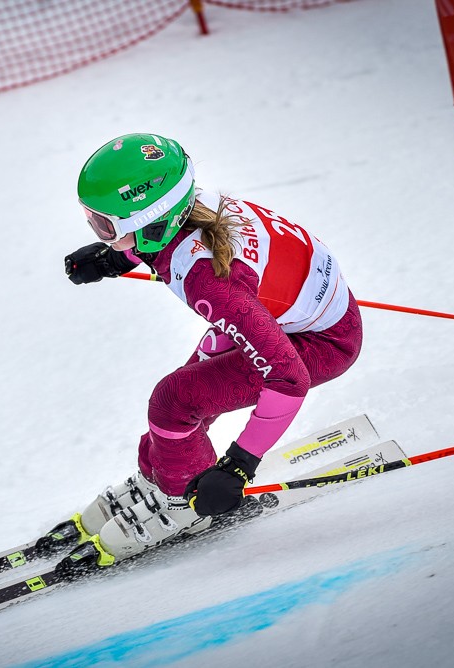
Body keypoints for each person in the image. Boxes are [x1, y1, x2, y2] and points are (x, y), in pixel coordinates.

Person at [63, 133, 362, 563]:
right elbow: (167, 237)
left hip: (322, 343)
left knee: (174, 400)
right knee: (187, 395)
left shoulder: (210, 282)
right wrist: (115, 259)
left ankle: (180, 503)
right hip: (286, 311)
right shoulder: (194, 205)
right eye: (92, 220)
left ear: (149, 222)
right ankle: (162, 475)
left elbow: (289, 377)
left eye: (105, 226)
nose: (99, 233)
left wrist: (239, 465)